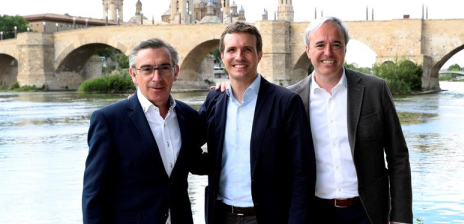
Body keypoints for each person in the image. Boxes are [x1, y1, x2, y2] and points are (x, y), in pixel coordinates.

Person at [288, 16, 412, 224]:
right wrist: (228, 89)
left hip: (366, 212)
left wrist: (401, 217)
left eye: (336, 44)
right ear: (307, 50)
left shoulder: (375, 90)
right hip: (312, 213)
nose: (328, 52)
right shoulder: (291, 99)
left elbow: (398, 156)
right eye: (320, 45)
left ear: (345, 49)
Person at [200, 22, 316, 224]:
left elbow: (302, 171)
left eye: (247, 50)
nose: (239, 57)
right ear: (222, 56)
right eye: (232, 50)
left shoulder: (285, 102)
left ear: (259, 54)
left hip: (268, 217)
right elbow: (189, 145)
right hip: (220, 215)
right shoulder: (214, 100)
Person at [82, 38, 206, 224]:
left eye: (164, 67)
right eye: (147, 69)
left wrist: (223, 96)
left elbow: (197, 163)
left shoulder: (188, 117)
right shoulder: (109, 120)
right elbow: (94, 193)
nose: (157, 77)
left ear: (175, 72)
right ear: (133, 74)